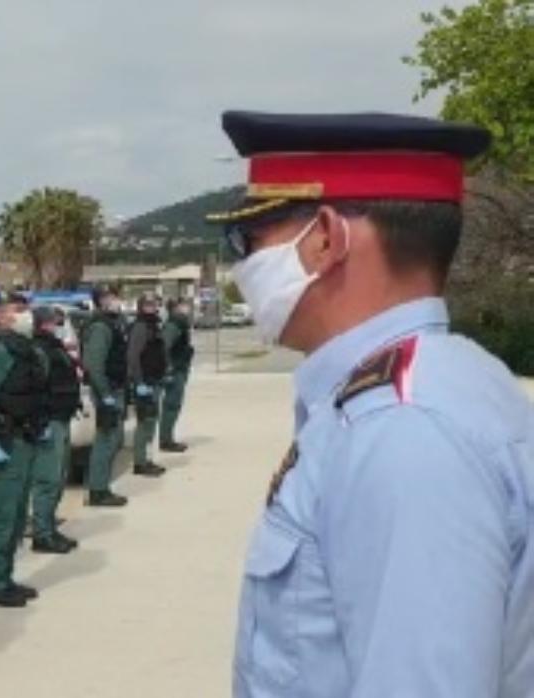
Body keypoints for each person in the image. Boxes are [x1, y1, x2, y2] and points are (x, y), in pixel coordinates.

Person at [209, 110, 532, 697]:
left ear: (326, 239)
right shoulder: (445, 382)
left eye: (247, 240)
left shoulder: (403, 431)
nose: (242, 265)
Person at [0, 291, 53, 608]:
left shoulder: (24, 350)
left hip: (25, 439)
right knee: (2, 516)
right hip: (6, 443)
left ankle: (5, 576)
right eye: (16, 309)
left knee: (17, 516)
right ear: (0, 317)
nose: (25, 313)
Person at [29, 305, 80, 553]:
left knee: (58, 477)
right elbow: (38, 389)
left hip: (62, 416)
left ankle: (49, 527)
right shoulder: (40, 350)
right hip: (50, 420)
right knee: (48, 480)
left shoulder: (53, 347)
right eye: (53, 322)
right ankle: (42, 533)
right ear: (42, 324)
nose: (57, 327)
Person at [79, 286, 130, 506]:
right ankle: (97, 490)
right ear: (101, 301)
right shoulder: (100, 327)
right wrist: (105, 394)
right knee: (106, 440)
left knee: (113, 439)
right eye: (112, 297)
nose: (117, 301)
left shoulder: (112, 323)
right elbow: (94, 365)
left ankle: (100, 486)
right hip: (107, 390)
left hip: (115, 387)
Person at [127, 294, 169, 477]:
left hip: (155, 380)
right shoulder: (141, 327)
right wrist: (139, 382)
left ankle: (148, 459)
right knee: (144, 423)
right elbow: (133, 356)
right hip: (146, 382)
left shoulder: (154, 325)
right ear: (141, 307)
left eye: (154, 304)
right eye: (148, 305)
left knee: (151, 423)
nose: (152, 307)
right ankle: (140, 462)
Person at [158, 298, 193, 452]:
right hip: (175, 370)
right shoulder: (174, 325)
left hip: (180, 367)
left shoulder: (180, 323)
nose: (187, 308)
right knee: (171, 405)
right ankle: (166, 439)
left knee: (174, 404)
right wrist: (168, 367)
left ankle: (167, 437)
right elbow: (164, 346)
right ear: (175, 308)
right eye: (183, 305)